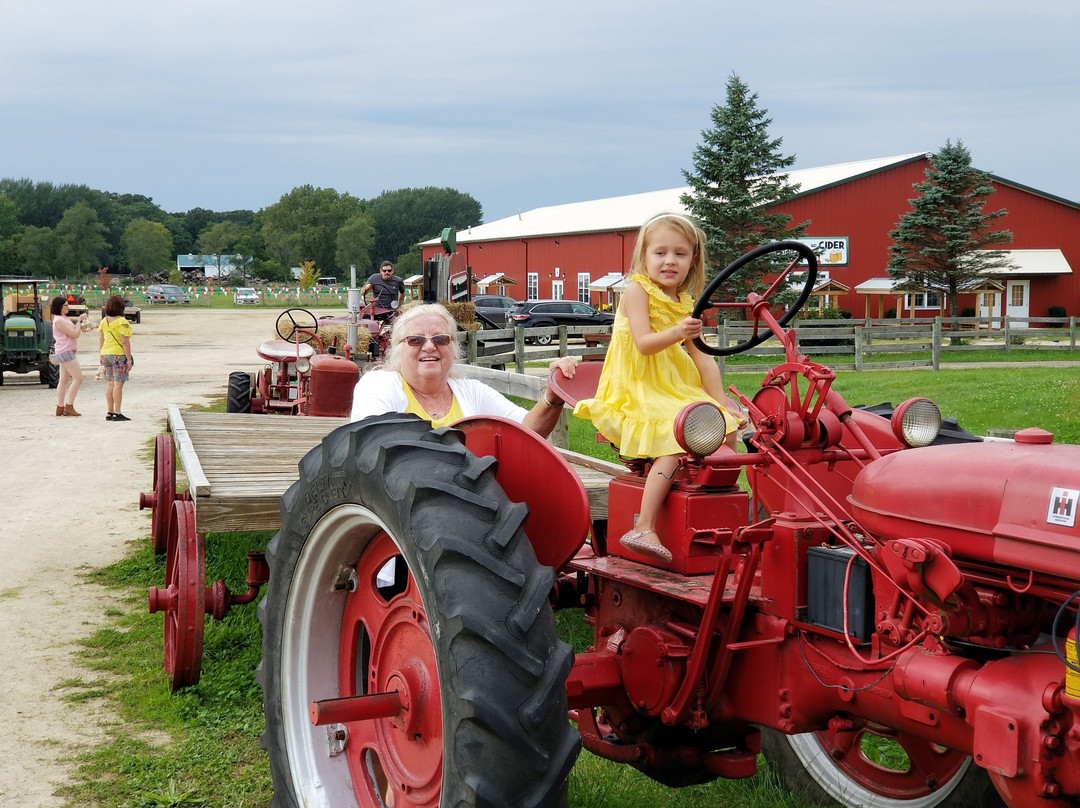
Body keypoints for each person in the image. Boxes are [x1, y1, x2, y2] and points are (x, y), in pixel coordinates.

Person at [573, 213, 744, 563]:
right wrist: (678, 333)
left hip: (672, 384)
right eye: (661, 253)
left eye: (680, 254)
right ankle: (644, 525)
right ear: (644, 257)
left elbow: (704, 359)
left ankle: (725, 515)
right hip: (637, 384)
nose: (670, 261)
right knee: (675, 435)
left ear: (693, 260)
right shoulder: (637, 290)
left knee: (727, 428)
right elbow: (644, 343)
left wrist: (722, 401)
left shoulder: (686, 301)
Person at [351, 303, 577, 437]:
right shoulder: (379, 385)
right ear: (397, 349)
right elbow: (373, 443)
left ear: (453, 348)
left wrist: (552, 395)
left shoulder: (471, 391)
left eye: (440, 339)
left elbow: (527, 431)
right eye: (415, 340)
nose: (429, 346)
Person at [49, 295, 89, 416]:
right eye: (66, 305)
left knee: (64, 380)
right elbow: (74, 334)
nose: (68, 307)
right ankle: (69, 406)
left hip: (64, 351)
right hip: (66, 351)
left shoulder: (62, 318)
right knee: (78, 378)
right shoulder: (60, 320)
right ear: (60, 307)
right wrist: (79, 322)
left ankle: (60, 407)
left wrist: (79, 322)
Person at [98, 294, 134, 421]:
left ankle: (110, 411)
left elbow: (101, 339)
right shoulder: (122, 322)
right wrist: (128, 359)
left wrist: (101, 355)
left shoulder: (104, 321)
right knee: (118, 384)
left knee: (110, 384)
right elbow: (125, 342)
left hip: (106, 354)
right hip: (118, 355)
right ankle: (117, 412)